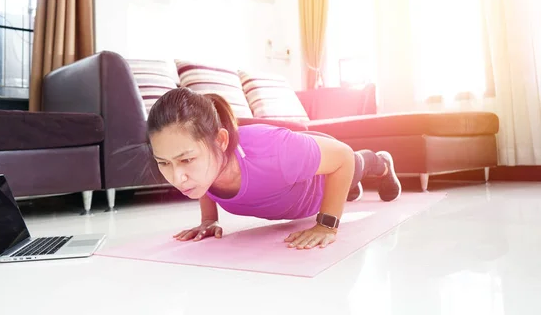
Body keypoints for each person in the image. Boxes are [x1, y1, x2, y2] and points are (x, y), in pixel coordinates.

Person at [146, 87, 402, 250]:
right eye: (164, 163)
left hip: (323, 172)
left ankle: (380, 162)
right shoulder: (203, 169)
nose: (178, 178)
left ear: (221, 142)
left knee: (356, 164)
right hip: (297, 183)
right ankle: (347, 188)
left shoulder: (274, 150)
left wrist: (327, 225)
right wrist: (209, 220)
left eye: (187, 160)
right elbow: (203, 185)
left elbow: (342, 157)